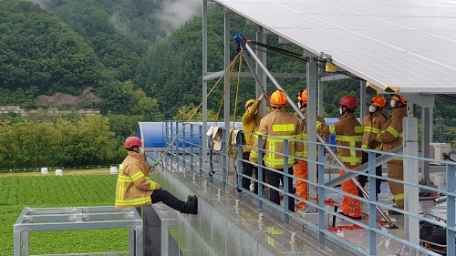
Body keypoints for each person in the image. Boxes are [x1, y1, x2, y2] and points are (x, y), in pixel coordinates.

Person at [250, 89, 304, 212]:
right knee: (288, 187)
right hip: (288, 162)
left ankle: (276, 213)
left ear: (271, 103)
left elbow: (259, 143)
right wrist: (297, 159)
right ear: (286, 104)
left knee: (274, 188)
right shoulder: (295, 120)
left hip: (272, 163)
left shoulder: (266, 120)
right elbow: (300, 143)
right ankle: (290, 212)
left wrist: (253, 159)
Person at [115, 136, 198, 215]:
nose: (141, 148)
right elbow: (140, 183)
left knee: (162, 194)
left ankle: (186, 206)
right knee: (163, 194)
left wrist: (149, 169)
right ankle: (187, 208)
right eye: (140, 147)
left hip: (131, 195)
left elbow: (139, 175)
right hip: (131, 198)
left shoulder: (132, 160)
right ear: (135, 148)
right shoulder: (132, 163)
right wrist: (156, 186)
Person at [322, 95, 363, 220]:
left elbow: (326, 130)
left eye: (341, 106)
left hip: (347, 161)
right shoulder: (356, 122)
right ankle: (347, 211)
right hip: (353, 160)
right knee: (348, 188)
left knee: (349, 189)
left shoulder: (345, 122)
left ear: (344, 108)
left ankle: (354, 213)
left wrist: (318, 124)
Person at [294, 89, 326, 212]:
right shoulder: (319, 119)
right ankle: (315, 203)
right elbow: (324, 138)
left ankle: (302, 205)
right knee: (315, 181)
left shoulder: (298, 118)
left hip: (301, 157)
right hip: (316, 158)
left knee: (301, 181)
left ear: (301, 102)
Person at [376, 94, 408, 215]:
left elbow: (390, 134)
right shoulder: (399, 114)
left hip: (396, 156)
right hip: (398, 155)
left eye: (394, 100)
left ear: (399, 103)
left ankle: (401, 207)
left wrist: (378, 137)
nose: (391, 102)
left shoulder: (398, 115)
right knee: (399, 181)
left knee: (396, 181)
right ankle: (402, 205)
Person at [358, 95, 388, 199]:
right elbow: (362, 133)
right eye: (371, 104)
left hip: (376, 152)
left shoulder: (383, 120)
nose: (371, 106)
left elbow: (385, 135)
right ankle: (360, 192)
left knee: (375, 173)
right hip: (364, 151)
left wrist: (376, 142)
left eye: (373, 105)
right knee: (362, 173)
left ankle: (374, 193)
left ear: (379, 107)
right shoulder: (366, 118)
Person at [240, 93, 266, 194]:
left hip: (259, 150)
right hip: (248, 150)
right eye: (249, 106)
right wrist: (258, 101)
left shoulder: (260, 120)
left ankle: (257, 194)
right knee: (247, 173)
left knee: (261, 174)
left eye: (253, 105)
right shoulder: (245, 119)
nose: (251, 108)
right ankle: (244, 192)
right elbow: (250, 112)